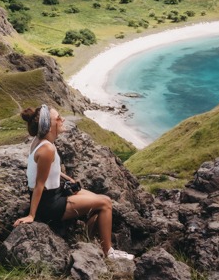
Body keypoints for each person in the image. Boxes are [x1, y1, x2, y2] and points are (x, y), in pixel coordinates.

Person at [13, 104, 134, 260]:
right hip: (49, 203)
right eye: (58, 118)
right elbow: (39, 185)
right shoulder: (47, 149)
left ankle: (88, 239)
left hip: (56, 191)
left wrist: (67, 178)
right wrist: (31, 215)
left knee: (97, 201)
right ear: (49, 127)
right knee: (105, 202)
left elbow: (45, 168)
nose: (62, 119)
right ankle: (108, 252)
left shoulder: (40, 141)